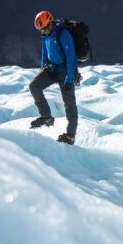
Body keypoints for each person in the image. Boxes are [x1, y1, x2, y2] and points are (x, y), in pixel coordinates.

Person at [29, 11, 78, 145]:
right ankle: (46, 116)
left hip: (64, 72)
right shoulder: (46, 35)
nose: (42, 32)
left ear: (50, 24)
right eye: (40, 30)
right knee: (34, 86)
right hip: (51, 69)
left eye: (44, 29)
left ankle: (70, 136)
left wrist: (69, 79)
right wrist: (42, 69)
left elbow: (71, 57)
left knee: (69, 104)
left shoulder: (63, 34)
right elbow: (45, 53)